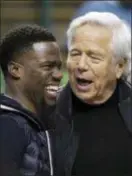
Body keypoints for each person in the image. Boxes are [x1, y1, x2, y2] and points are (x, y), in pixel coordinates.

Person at [55, 12, 131, 176]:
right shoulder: (44, 113)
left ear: (119, 66)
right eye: (75, 54)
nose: (81, 65)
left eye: (94, 57)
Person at [0, 24, 62, 176]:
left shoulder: (41, 121)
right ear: (15, 70)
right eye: (48, 66)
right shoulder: (8, 125)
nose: (59, 75)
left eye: (59, 67)